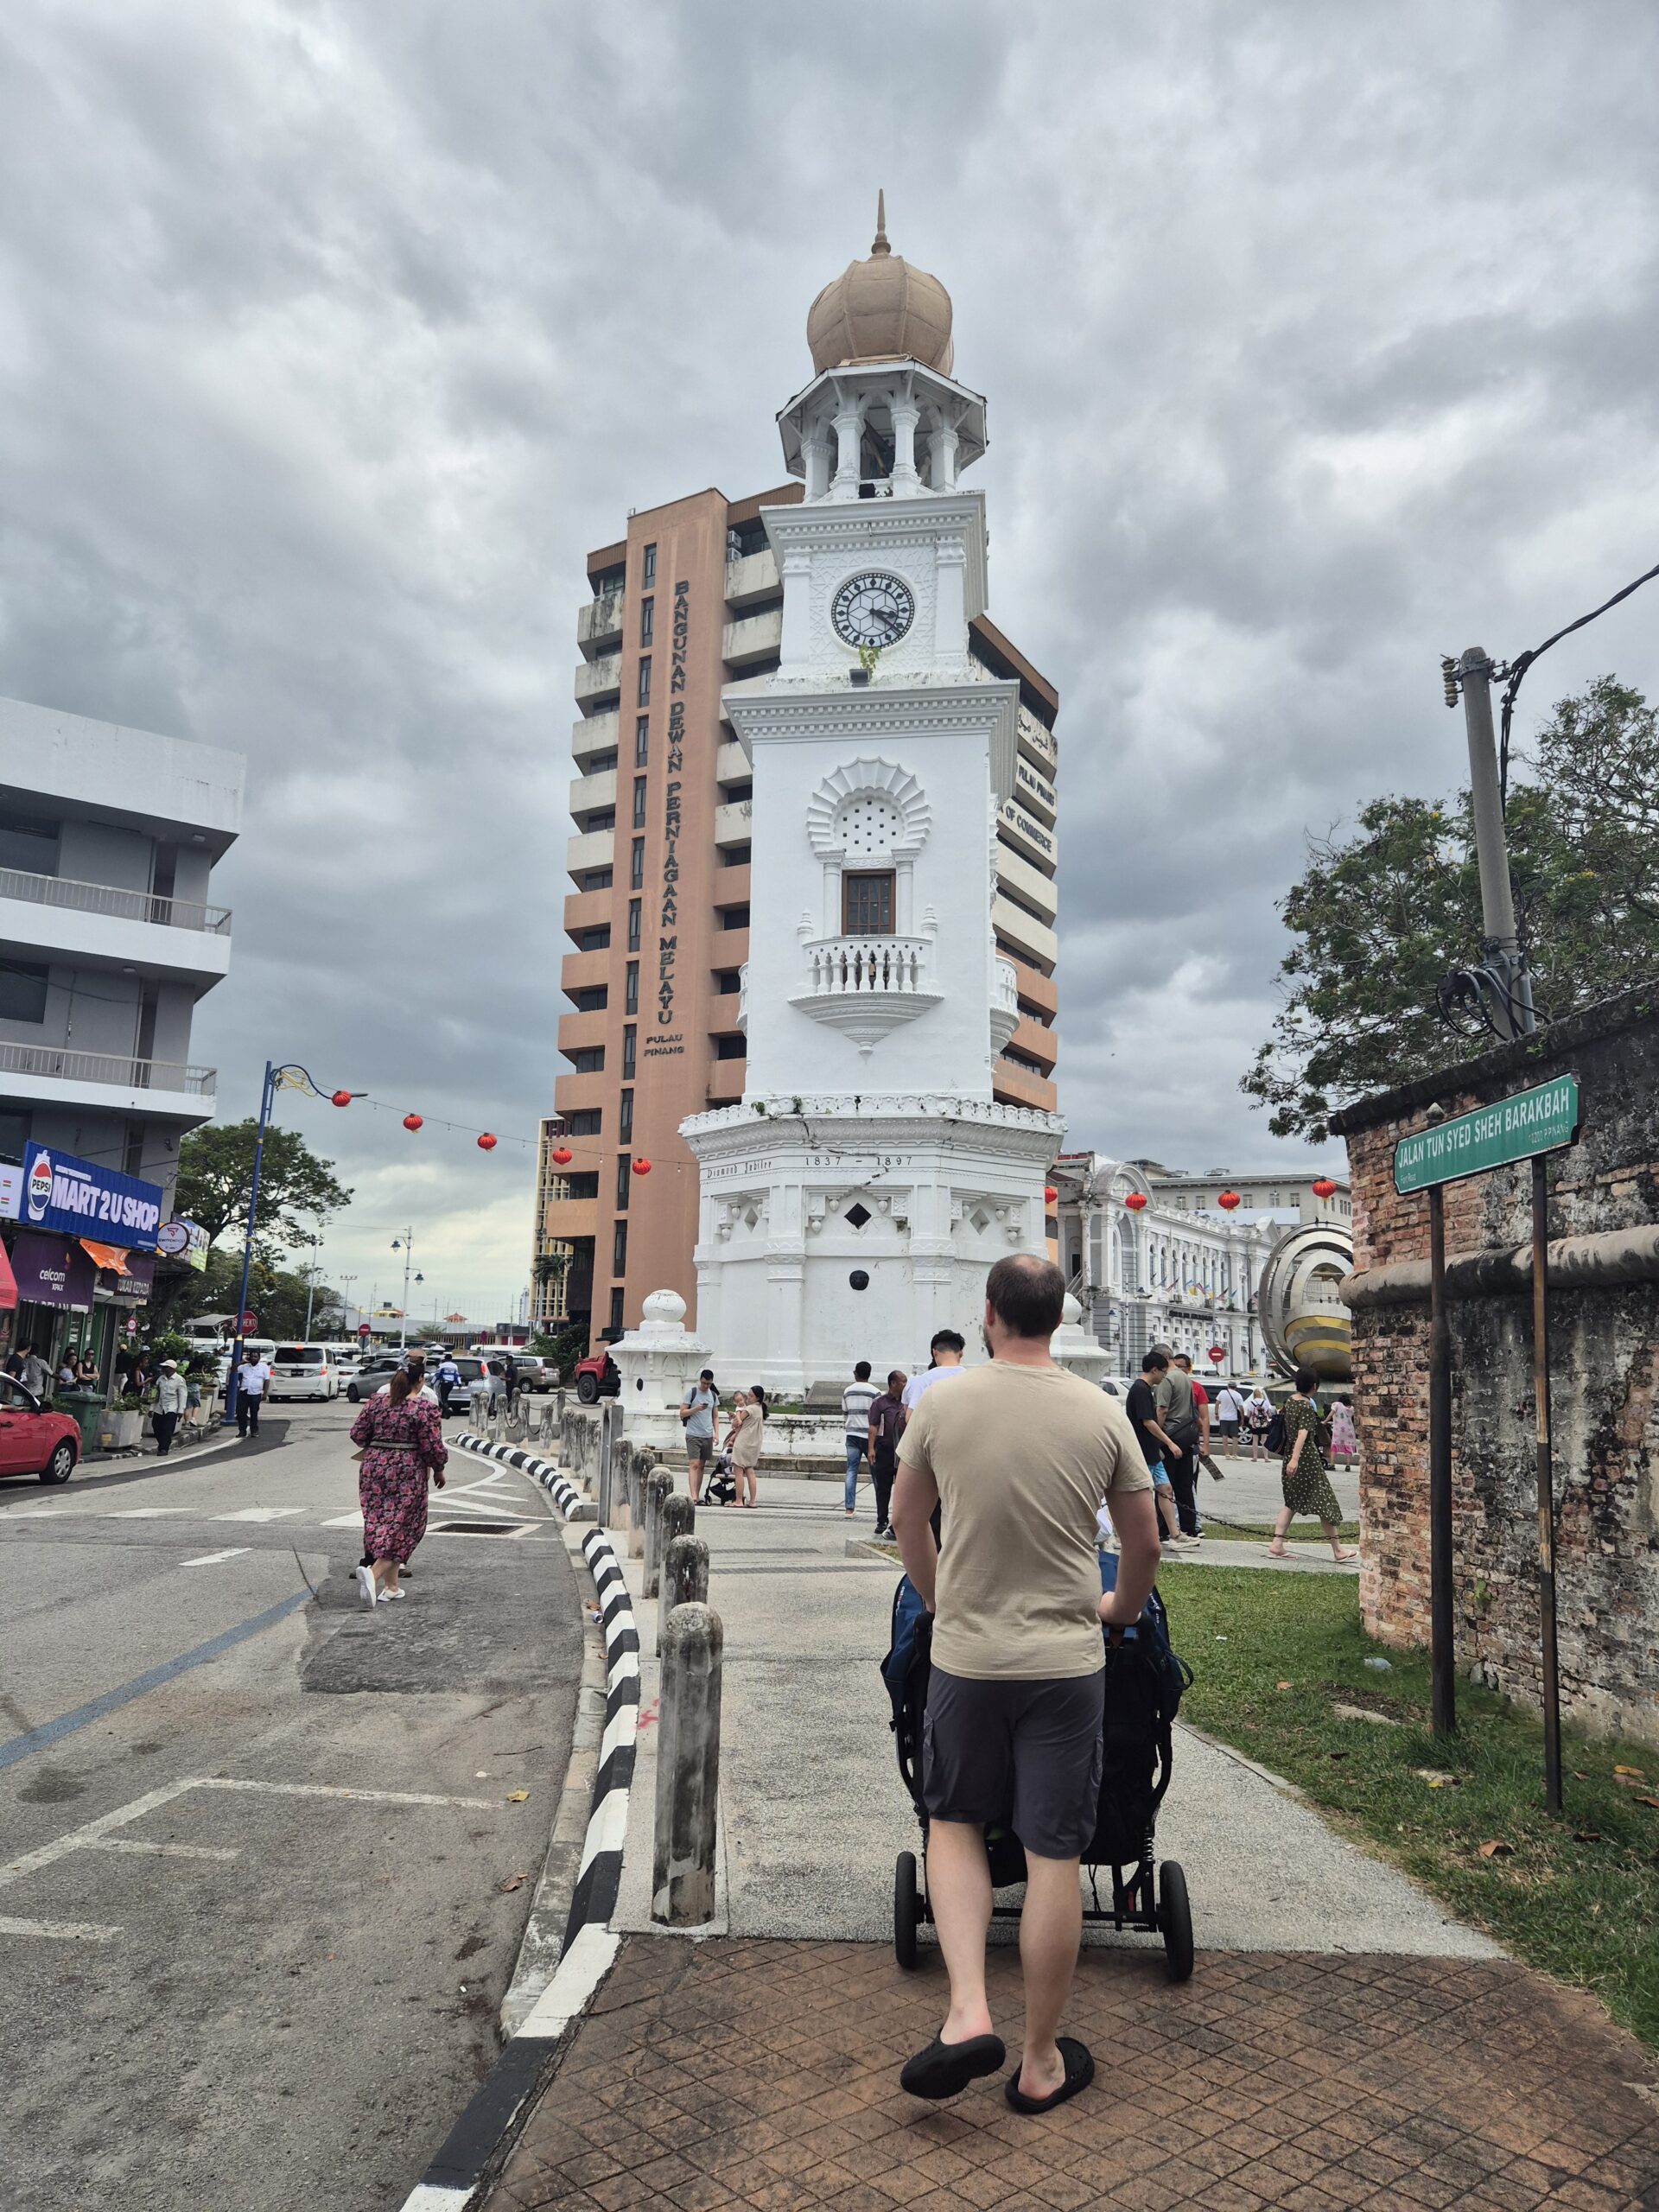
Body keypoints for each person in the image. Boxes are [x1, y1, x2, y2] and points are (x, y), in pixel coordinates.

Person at [891, 1254, 1160, 2113]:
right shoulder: (1100, 1411)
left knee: (956, 1821)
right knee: (1055, 1853)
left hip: (968, 1659)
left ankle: (968, 2009)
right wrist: (1117, 1605)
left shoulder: (944, 1400)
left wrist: (941, 1601)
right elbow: (1144, 1541)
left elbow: (906, 1516)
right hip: (1067, 1663)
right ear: (1056, 1318)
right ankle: (1040, 2060)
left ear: (989, 1314)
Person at [351, 1363, 448, 1604]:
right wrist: (439, 1469)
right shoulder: (423, 1409)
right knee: (406, 1525)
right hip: (407, 1468)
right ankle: (372, 1575)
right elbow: (432, 1446)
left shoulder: (375, 1403)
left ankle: (392, 1586)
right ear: (420, 1381)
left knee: (380, 1520)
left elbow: (357, 1434)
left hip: (374, 1467)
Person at [1268, 1367, 1357, 1562]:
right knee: (1325, 1502)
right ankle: (1338, 1550)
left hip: (1290, 1455)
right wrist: (1296, 1459)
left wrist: (1291, 1458)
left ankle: (1277, 1543)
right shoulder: (1307, 1407)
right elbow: (1303, 1433)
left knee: (1291, 1502)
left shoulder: (1290, 1401)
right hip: (1306, 1460)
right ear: (1315, 1386)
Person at [1123, 1349, 1194, 1550]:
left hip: (1151, 1451)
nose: (1165, 1377)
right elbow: (1148, 1422)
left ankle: (1175, 1535)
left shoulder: (1144, 1389)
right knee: (1136, 1492)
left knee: (1165, 1489)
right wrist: (1170, 1442)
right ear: (1154, 1370)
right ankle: (1122, 1533)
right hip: (1143, 1450)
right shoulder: (1141, 1390)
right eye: (1163, 1372)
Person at [1153, 1344, 1202, 1541]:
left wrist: (1156, 1435)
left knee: (1164, 1484)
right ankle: (1189, 1526)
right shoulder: (1184, 1377)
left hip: (1170, 1436)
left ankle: (1163, 1528)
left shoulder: (1167, 1379)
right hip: (1186, 1435)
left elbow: (1162, 1410)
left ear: (1164, 1358)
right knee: (1184, 1485)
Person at [898, 1329, 967, 1431]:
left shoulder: (926, 1379)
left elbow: (910, 1418)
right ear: (960, 1353)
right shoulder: (972, 1378)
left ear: (934, 1352)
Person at [868, 1368, 906, 1538]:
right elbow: (873, 1426)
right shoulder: (880, 1403)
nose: (906, 1384)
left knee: (903, 1489)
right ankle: (881, 1520)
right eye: (902, 1381)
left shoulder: (907, 1403)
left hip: (903, 1452)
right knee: (883, 1488)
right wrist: (870, 1449)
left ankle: (897, 1523)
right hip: (885, 1450)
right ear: (893, 1384)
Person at [842, 1360, 880, 1517]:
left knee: (851, 1470)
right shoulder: (875, 1392)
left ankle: (849, 1508)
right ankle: (881, 1507)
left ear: (855, 1373)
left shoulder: (848, 1391)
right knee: (876, 1473)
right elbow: (879, 1417)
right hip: (870, 1437)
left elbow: (845, 1413)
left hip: (852, 1435)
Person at [679, 1368, 719, 1503]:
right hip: (693, 1433)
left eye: (708, 1384)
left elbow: (715, 1416)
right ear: (700, 1380)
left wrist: (716, 1433)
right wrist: (696, 1408)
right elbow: (682, 1412)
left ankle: (697, 1493)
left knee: (702, 1465)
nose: (705, 1386)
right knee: (694, 1463)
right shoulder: (692, 1393)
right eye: (703, 1383)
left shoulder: (713, 1395)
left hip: (707, 1434)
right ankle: (693, 1496)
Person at [725, 1384, 765, 1507]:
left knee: (738, 1473)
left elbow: (737, 1423)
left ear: (757, 1397)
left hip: (743, 1442)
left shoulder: (749, 1409)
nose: (748, 1398)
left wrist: (733, 1420)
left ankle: (738, 1500)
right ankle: (752, 1501)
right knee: (750, 1471)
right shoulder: (759, 1408)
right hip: (754, 1443)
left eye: (751, 1396)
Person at [152, 1359, 187, 1455]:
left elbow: (182, 1395)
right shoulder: (160, 1379)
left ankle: (164, 1448)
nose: (164, 1369)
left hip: (172, 1407)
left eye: (166, 1367)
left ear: (172, 1369)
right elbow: (155, 1394)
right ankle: (165, 1442)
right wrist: (152, 1408)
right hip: (160, 1406)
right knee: (156, 1426)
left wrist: (181, 1410)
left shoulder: (179, 1380)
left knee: (167, 1429)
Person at [235, 1344, 271, 1439]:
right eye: (252, 1356)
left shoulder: (264, 1367)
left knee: (254, 1412)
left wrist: (265, 1393)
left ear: (259, 1358)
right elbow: (233, 1369)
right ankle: (242, 1431)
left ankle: (254, 1431)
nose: (253, 1358)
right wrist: (242, 1362)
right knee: (241, 1413)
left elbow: (267, 1380)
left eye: (256, 1357)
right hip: (244, 1392)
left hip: (256, 1393)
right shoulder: (245, 1366)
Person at [1213, 1381, 1244, 1453]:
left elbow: (1217, 1404)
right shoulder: (1238, 1395)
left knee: (1224, 1435)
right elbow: (1241, 1408)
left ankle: (1226, 1453)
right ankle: (1234, 1454)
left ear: (1228, 1386)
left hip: (1223, 1417)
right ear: (1235, 1387)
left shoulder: (1222, 1392)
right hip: (1233, 1418)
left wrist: (1216, 1414)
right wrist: (1242, 1418)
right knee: (1235, 1436)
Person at [1243, 1384, 1273, 1460]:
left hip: (1254, 1424)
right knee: (1264, 1440)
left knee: (1255, 1440)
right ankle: (1266, 1458)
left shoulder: (1251, 1403)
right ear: (1261, 1394)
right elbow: (1269, 1414)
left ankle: (1255, 1457)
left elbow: (1249, 1415)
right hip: (1264, 1423)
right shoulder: (1265, 1402)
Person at [1330, 1394, 1357, 1465]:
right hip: (1349, 1430)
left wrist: (1325, 1421)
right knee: (1348, 1446)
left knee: (1334, 1446)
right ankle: (1348, 1465)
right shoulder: (1351, 1408)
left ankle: (1332, 1464)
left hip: (1338, 1429)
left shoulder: (1336, 1404)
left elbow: (1331, 1414)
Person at [435, 1351, 462, 1417]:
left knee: (442, 1398)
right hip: (451, 1384)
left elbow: (437, 1375)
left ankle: (447, 1409)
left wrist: (433, 1382)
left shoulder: (441, 1365)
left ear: (445, 1359)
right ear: (451, 1359)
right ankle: (445, 1413)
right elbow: (457, 1375)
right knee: (446, 1397)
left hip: (444, 1384)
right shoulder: (455, 1366)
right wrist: (459, 1383)